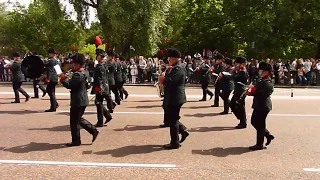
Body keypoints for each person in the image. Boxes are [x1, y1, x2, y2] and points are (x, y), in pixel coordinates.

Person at [59, 53, 99, 147]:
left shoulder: (78, 74)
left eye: (74, 63)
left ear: (77, 64)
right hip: (83, 98)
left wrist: (63, 79)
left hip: (77, 100)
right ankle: (93, 131)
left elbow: (70, 85)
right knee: (78, 119)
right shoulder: (85, 72)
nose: (73, 65)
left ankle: (78, 140)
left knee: (74, 122)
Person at [162, 48, 189, 149]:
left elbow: (171, 81)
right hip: (172, 96)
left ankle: (175, 142)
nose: (168, 60)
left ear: (174, 58)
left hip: (176, 97)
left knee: (173, 120)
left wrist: (163, 79)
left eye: (169, 58)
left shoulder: (178, 68)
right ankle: (182, 130)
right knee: (170, 117)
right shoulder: (173, 67)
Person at [247, 62, 275, 150]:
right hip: (259, 105)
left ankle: (259, 144)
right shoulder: (261, 79)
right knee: (256, 122)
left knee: (259, 124)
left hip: (263, 106)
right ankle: (267, 135)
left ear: (266, 72)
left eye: (261, 70)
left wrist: (253, 90)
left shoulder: (268, 82)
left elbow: (263, 93)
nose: (259, 71)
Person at [93, 49, 113, 127]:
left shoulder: (99, 66)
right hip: (105, 86)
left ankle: (100, 121)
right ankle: (107, 116)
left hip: (100, 87)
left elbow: (99, 79)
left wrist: (98, 88)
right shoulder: (104, 65)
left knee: (98, 103)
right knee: (99, 103)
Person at [230, 57, 248, 129]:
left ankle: (242, 121)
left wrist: (233, 72)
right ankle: (242, 120)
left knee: (237, 105)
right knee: (238, 106)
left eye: (237, 63)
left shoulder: (243, 71)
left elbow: (235, 78)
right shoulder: (240, 70)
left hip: (240, 91)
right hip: (238, 90)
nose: (236, 65)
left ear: (242, 64)